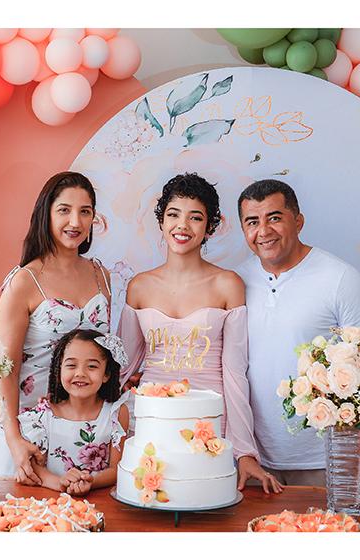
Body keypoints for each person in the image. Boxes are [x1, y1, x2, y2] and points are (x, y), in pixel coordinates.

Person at [117, 173, 282, 494]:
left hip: (210, 420)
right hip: (151, 420)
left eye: (195, 217)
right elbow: (121, 368)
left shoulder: (228, 285)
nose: (182, 226)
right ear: (162, 221)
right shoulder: (139, 287)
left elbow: (235, 373)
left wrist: (245, 451)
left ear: (210, 227)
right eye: (173, 214)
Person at [236, 179, 360, 486]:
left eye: (274, 218)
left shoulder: (340, 278)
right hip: (253, 460)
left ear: (298, 221)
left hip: (324, 458)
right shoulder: (236, 281)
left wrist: (350, 446)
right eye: (252, 222)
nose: (263, 231)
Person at [0, 171, 112, 481]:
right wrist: (13, 439)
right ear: (45, 214)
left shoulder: (101, 275)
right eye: (64, 210)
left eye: (85, 211)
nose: (75, 221)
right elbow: (5, 369)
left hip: (85, 430)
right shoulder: (24, 281)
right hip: (31, 430)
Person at [18, 329, 129, 495]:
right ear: (59, 370)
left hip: (98, 501)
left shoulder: (116, 413)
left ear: (106, 374)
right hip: (50, 500)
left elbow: (116, 469)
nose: (80, 373)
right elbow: (36, 467)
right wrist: (61, 483)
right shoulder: (43, 414)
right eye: (71, 365)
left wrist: (89, 482)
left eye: (92, 366)